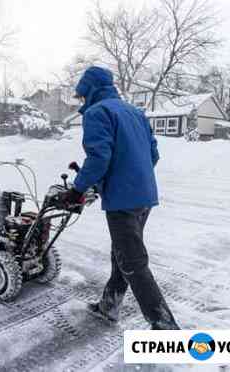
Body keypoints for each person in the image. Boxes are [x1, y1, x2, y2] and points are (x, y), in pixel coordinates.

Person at [61, 66, 180, 330]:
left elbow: (99, 158)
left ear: (90, 91)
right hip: (145, 196)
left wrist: (77, 189)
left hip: (123, 201)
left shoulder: (97, 113)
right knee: (123, 254)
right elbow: (153, 155)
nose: (81, 101)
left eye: (82, 95)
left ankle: (165, 328)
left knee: (133, 262)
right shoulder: (135, 112)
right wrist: (133, 177)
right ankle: (109, 306)